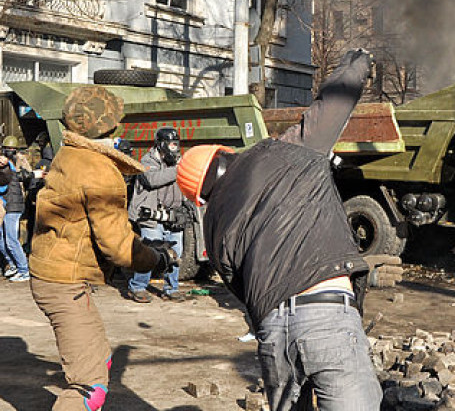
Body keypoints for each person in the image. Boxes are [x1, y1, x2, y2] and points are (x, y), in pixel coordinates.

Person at [176, 49, 382, 411]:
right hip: (327, 315)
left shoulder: (213, 224)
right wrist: (358, 62)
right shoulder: (288, 151)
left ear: (201, 195)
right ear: (224, 154)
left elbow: (237, 286)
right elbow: (333, 103)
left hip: (272, 332)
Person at [29, 85, 177, 411]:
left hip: (52, 276)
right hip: (64, 284)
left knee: (101, 360)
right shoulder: (98, 169)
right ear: (110, 126)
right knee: (89, 385)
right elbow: (118, 246)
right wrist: (156, 259)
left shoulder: (70, 154)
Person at [126, 127, 186, 303]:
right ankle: (137, 287)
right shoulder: (147, 160)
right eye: (171, 144)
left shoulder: (177, 162)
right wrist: (179, 169)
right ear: (161, 145)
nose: (174, 148)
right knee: (151, 252)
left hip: (172, 216)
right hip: (151, 216)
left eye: (176, 144)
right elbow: (153, 180)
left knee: (176, 253)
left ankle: (171, 289)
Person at [0, 136, 31, 282]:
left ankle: (23, 270)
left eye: (11, 149)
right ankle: (14, 266)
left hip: (13, 204)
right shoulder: (8, 165)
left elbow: (25, 176)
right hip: (8, 204)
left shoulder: (11, 166)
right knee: (3, 239)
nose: (9, 152)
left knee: (11, 239)